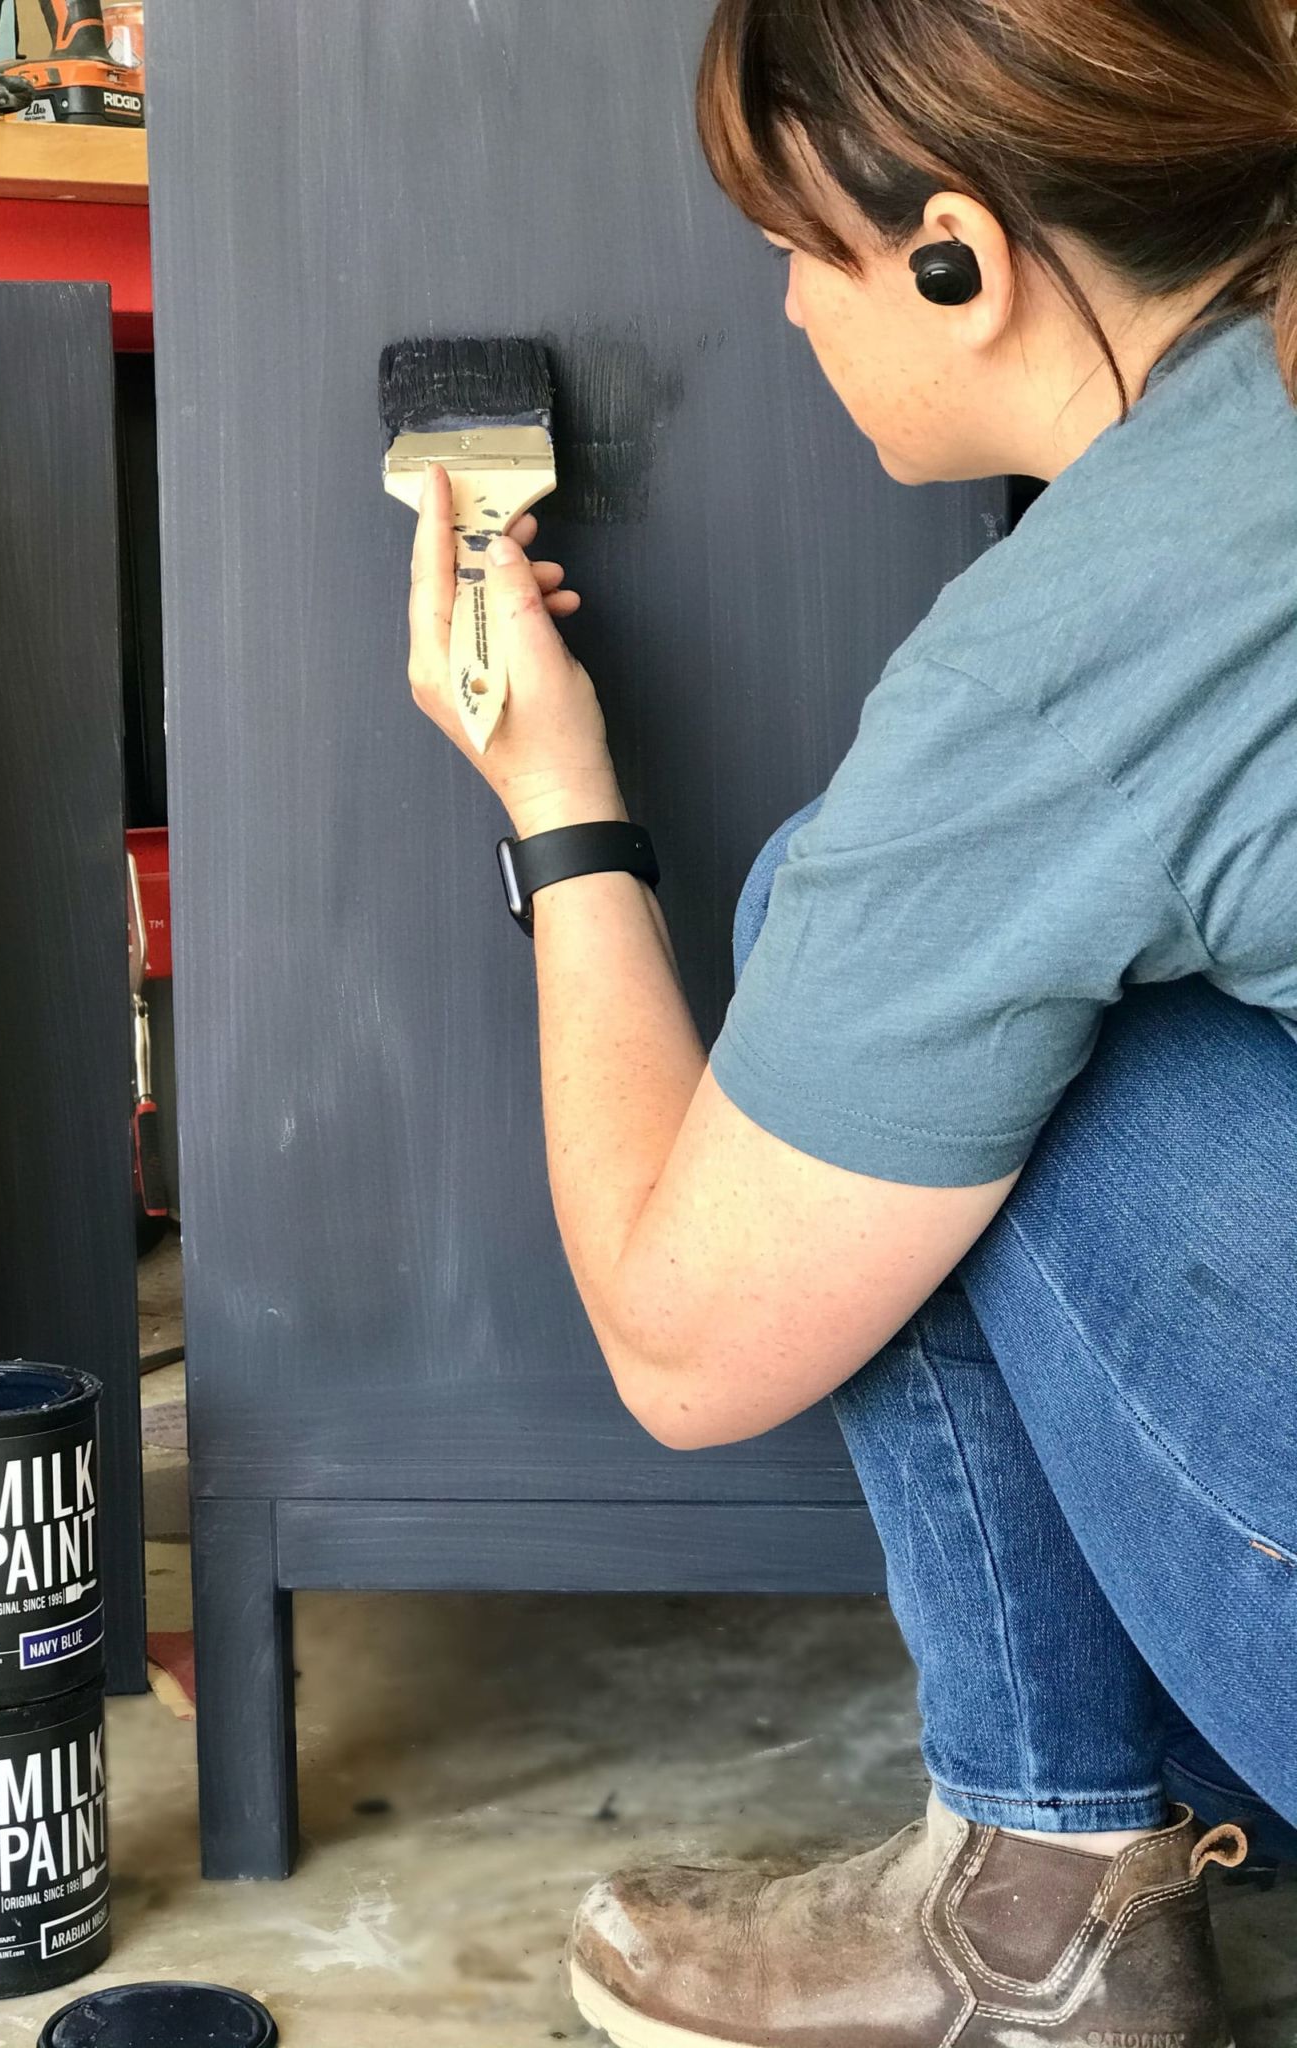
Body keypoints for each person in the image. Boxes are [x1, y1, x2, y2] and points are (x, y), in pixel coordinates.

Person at [401, 1, 1297, 2041]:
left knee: (922, 953)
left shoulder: (1082, 654)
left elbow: (684, 1336)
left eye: (804, 244)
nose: (788, 309)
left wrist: (561, 811)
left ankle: (1038, 1908)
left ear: (963, 256)